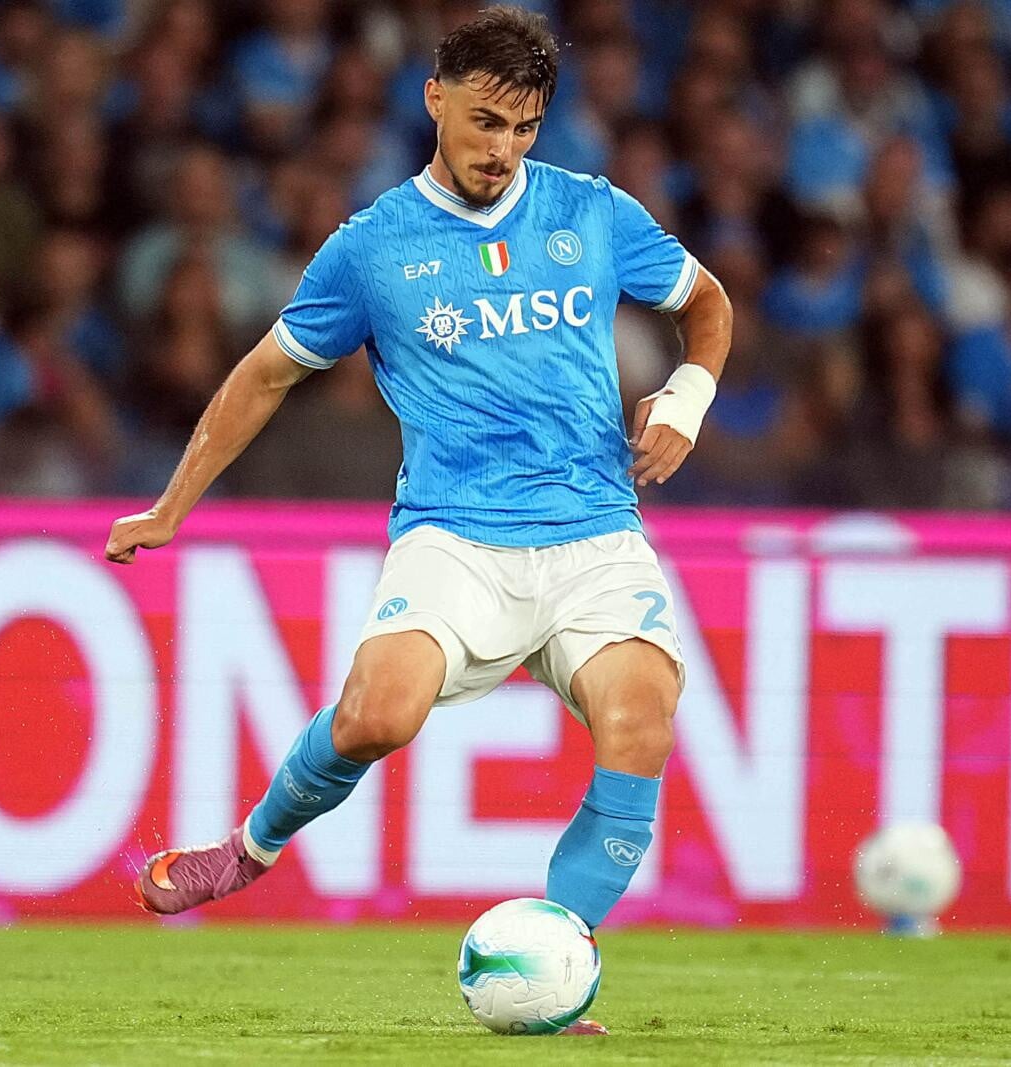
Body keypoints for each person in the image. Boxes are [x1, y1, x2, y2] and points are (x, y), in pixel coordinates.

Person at [104, 7, 732, 1033]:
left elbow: (707, 303)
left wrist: (687, 396)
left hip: (594, 534)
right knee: (376, 717)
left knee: (640, 722)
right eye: (485, 121)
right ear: (434, 98)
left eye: (524, 128)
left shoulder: (591, 211)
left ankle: (555, 955)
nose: (502, 149)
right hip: (454, 535)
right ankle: (246, 851)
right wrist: (171, 507)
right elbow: (265, 375)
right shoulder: (371, 249)